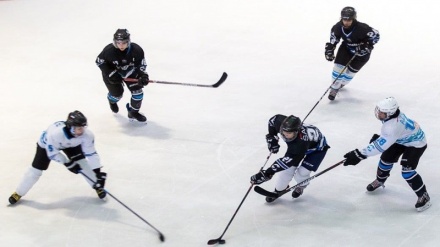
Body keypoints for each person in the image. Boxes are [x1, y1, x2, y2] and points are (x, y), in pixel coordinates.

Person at [343, 97, 431, 212]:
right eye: (378, 110)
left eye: (382, 113)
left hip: (416, 143)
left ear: (390, 113)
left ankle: (423, 195)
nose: (378, 114)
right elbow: (389, 136)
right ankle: (380, 180)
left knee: (407, 172)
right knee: (385, 159)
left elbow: (380, 147)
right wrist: (382, 138)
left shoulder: (392, 127)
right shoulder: (394, 117)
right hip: (401, 139)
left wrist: (359, 154)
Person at [8, 111, 107, 205]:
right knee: (36, 170)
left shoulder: (87, 135)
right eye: (78, 128)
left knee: (82, 163)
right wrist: (67, 163)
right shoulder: (55, 134)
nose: (82, 131)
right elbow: (52, 153)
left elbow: (91, 154)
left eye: (83, 127)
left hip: (71, 144)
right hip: (46, 145)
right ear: (70, 127)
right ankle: (19, 192)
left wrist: (97, 172)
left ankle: (97, 186)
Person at [250, 115, 330, 202]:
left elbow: (286, 162)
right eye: (284, 132)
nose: (285, 134)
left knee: (302, 173)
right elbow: (273, 121)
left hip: (317, 150)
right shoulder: (281, 123)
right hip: (302, 147)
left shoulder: (300, 143)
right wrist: (272, 136)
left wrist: (268, 173)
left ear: (296, 132)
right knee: (287, 171)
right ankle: (279, 190)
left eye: (289, 133)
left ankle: (301, 186)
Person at [325, 6, 380, 100]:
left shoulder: (362, 28)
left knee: (349, 73)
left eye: (349, 20)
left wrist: (367, 45)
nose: (346, 22)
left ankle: (342, 84)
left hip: (362, 54)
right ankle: (334, 88)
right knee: (338, 68)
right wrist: (330, 49)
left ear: (354, 18)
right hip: (346, 48)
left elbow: (376, 36)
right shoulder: (337, 27)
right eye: (344, 19)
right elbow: (333, 40)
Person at [96, 29, 149, 122]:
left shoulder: (137, 50)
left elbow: (141, 65)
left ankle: (133, 112)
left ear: (128, 41)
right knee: (117, 95)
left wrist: (143, 76)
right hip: (113, 75)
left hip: (130, 73)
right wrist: (111, 73)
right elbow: (99, 61)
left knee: (138, 93)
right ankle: (112, 101)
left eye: (124, 42)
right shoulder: (109, 51)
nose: (121, 45)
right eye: (118, 43)